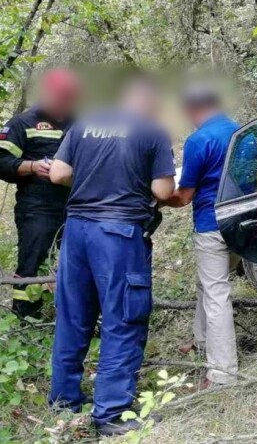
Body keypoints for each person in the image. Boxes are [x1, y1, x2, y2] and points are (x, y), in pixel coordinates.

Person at [48, 77, 175, 436]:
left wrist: (91, 183)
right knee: (123, 318)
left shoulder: (84, 124)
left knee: (73, 316)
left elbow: (58, 173)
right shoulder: (152, 132)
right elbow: (162, 189)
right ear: (149, 102)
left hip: (77, 232)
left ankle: (64, 402)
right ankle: (112, 412)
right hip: (118, 235)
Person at [163, 85, 239, 387]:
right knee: (208, 283)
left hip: (212, 224)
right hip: (243, 222)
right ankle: (201, 340)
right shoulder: (243, 132)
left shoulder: (199, 140)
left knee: (217, 292)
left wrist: (160, 198)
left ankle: (222, 373)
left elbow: (183, 196)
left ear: (192, 110)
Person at [0, 69, 79, 317]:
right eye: (59, 95)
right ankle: (25, 319)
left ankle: (69, 316)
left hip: (77, 207)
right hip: (37, 209)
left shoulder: (80, 123)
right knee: (32, 264)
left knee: (76, 264)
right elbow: (2, 161)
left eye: (68, 96)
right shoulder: (22, 123)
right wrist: (32, 167)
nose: (64, 101)